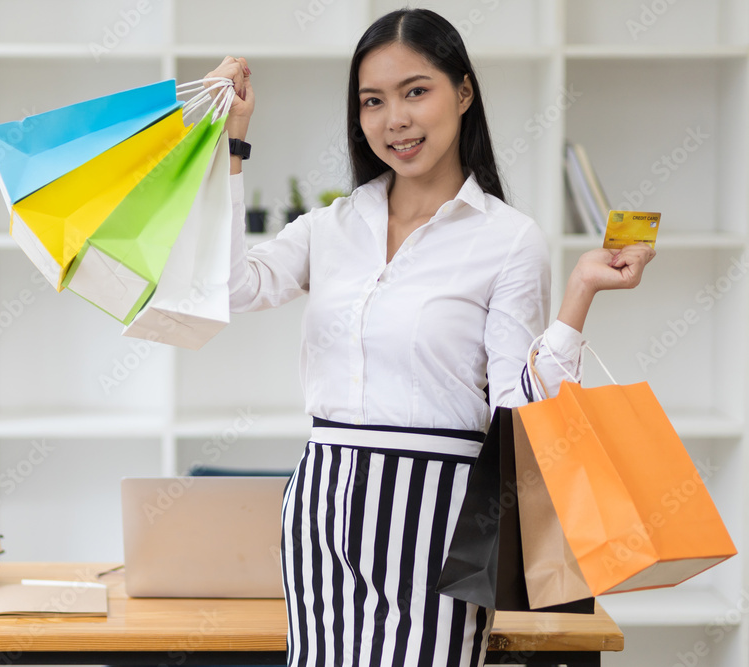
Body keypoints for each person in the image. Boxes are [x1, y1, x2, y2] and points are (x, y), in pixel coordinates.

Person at [206, 8, 655, 667]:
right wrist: (230, 147)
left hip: (439, 515)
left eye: (416, 91)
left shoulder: (508, 239)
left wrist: (578, 297)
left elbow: (522, 408)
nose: (395, 120)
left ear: (463, 92)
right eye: (373, 101)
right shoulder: (332, 226)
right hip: (321, 502)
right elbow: (227, 287)